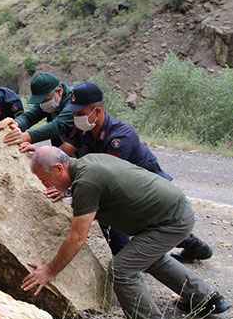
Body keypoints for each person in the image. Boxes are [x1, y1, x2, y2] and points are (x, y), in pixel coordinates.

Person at [22, 146, 230, 319]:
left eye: (45, 180)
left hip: (171, 221)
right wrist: (66, 190)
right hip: (172, 210)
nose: (45, 185)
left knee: (122, 270)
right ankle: (207, 299)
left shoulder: (86, 182)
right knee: (150, 259)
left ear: (59, 169)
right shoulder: (88, 162)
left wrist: (49, 271)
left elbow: (77, 238)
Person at [33, 82, 213, 262]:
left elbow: (106, 176)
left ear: (97, 112)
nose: (76, 117)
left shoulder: (120, 137)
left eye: (81, 113)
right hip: (116, 184)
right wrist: (46, 161)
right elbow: (65, 152)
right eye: (75, 113)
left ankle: (187, 248)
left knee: (156, 221)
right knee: (111, 217)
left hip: (146, 184)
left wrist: (68, 190)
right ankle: (127, 258)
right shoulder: (85, 129)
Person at [0, 72, 76, 149]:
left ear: (59, 91)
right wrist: (16, 123)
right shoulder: (51, 101)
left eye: (45, 100)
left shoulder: (74, 101)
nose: (42, 104)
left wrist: (28, 136)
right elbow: (30, 116)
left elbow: (59, 125)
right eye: (40, 101)